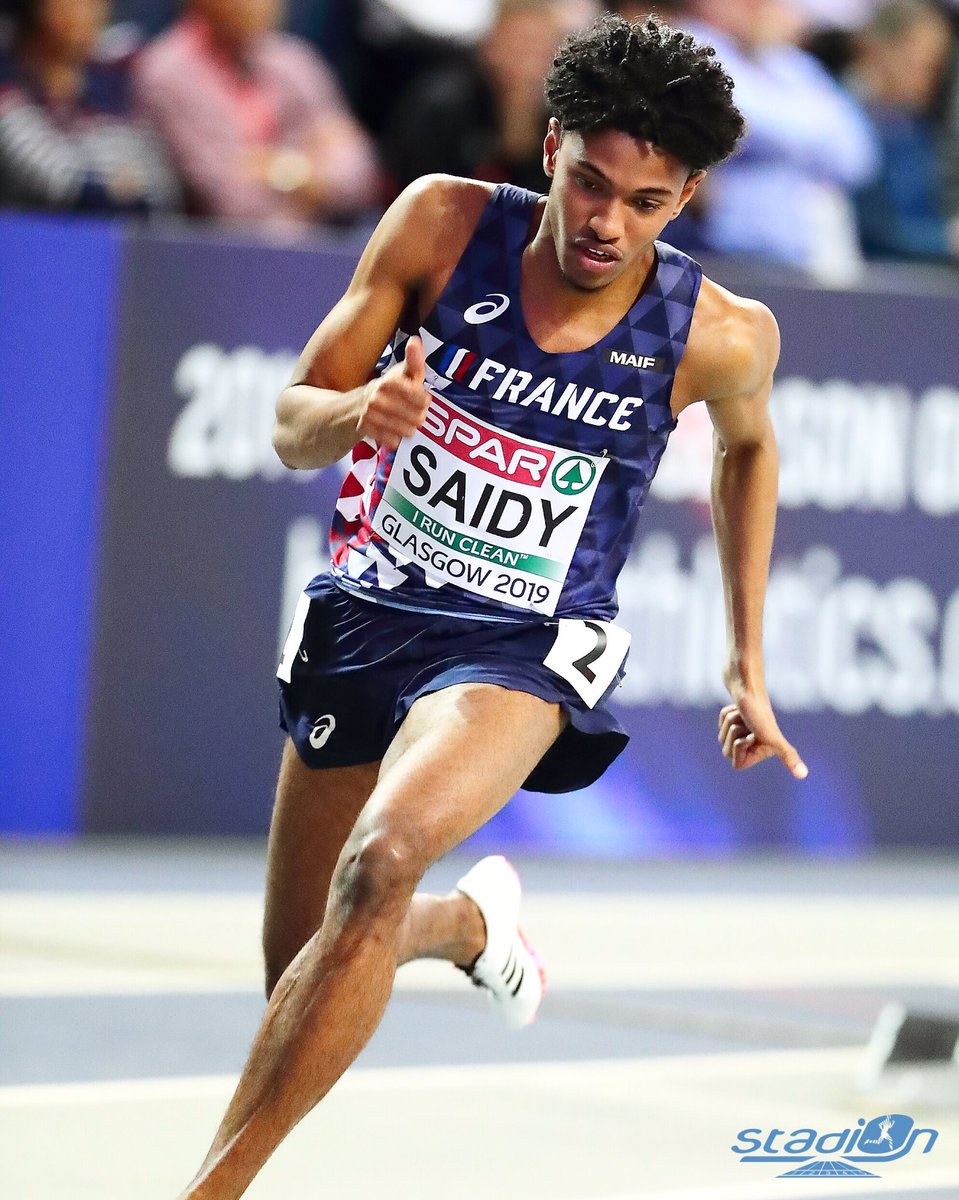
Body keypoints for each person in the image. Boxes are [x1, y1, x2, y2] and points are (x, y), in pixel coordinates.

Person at [175, 14, 807, 1198]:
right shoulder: (443, 224)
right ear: (552, 145)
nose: (607, 223)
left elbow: (750, 449)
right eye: (589, 183)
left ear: (687, 196)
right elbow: (291, 422)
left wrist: (747, 664)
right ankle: (466, 926)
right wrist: (358, 415)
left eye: (648, 202)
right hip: (371, 606)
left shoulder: (718, 333)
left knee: (379, 864)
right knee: (305, 967)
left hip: (524, 642)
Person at [133, 0, 379, 231]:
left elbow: (358, 177)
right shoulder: (168, 72)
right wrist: (313, 178)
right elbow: (232, 201)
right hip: (218, 251)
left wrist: (278, 169)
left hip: (321, 244)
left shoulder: (294, 60)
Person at [683, 0, 879, 278]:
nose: (757, 5)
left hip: (798, 261)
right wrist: (809, 134)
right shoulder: (688, 43)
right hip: (713, 254)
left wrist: (774, 139)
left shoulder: (791, 63)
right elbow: (735, 118)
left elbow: (855, 156)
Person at [383, 0, 597, 195]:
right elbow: (417, 194)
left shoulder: (567, 118)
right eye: (516, 46)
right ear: (490, 45)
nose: (525, 64)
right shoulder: (441, 106)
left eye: (537, 49)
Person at [0, 0, 180, 214]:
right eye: (73, 3)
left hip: (116, 233)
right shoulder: (7, 81)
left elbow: (158, 186)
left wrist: (116, 188)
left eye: (96, 3)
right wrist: (116, 186)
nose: (88, 13)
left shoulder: (115, 79)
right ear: (36, 8)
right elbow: (57, 181)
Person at [848, 0, 956, 262]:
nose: (929, 81)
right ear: (884, 51)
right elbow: (872, 228)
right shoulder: (846, 121)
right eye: (924, 66)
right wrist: (946, 240)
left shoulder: (916, 127)